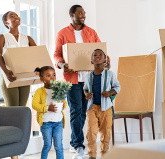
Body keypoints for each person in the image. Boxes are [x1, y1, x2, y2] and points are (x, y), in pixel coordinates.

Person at [53, 4, 101, 159]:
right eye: (80, 13)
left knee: (83, 112)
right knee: (75, 111)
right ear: (72, 15)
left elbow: (101, 51)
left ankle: (75, 141)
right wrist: (61, 65)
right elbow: (57, 55)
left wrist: (106, 60)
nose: (83, 15)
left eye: (84, 13)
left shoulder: (91, 32)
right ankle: (79, 146)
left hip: (89, 79)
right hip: (72, 79)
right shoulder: (62, 33)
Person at [83, 49, 120, 159]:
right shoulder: (88, 76)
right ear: (91, 60)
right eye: (95, 55)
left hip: (106, 108)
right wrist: (87, 94)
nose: (97, 56)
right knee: (91, 133)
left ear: (105, 60)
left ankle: (105, 155)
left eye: (100, 55)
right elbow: (85, 89)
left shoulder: (110, 75)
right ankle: (92, 155)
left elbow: (117, 87)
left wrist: (109, 93)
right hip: (92, 107)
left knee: (105, 133)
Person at [0, 11, 37, 106]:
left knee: (21, 110)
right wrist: (6, 72)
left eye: (17, 15)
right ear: (6, 23)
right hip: (10, 76)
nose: (16, 17)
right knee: (12, 111)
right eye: (12, 16)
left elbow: (36, 56)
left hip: (25, 77)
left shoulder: (28, 38)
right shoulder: (3, 37)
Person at [32, 66, 66, 159]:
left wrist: (63, 105)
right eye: (48, 75)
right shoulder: (39, 91)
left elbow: (64, 103)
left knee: (59, 146)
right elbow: (34, 105)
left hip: (58, 122)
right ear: (42, 79)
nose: (52, 77)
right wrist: (47, 108)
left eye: (54, 75)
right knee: (47, 145)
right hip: (46, 123)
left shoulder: (59, 89)